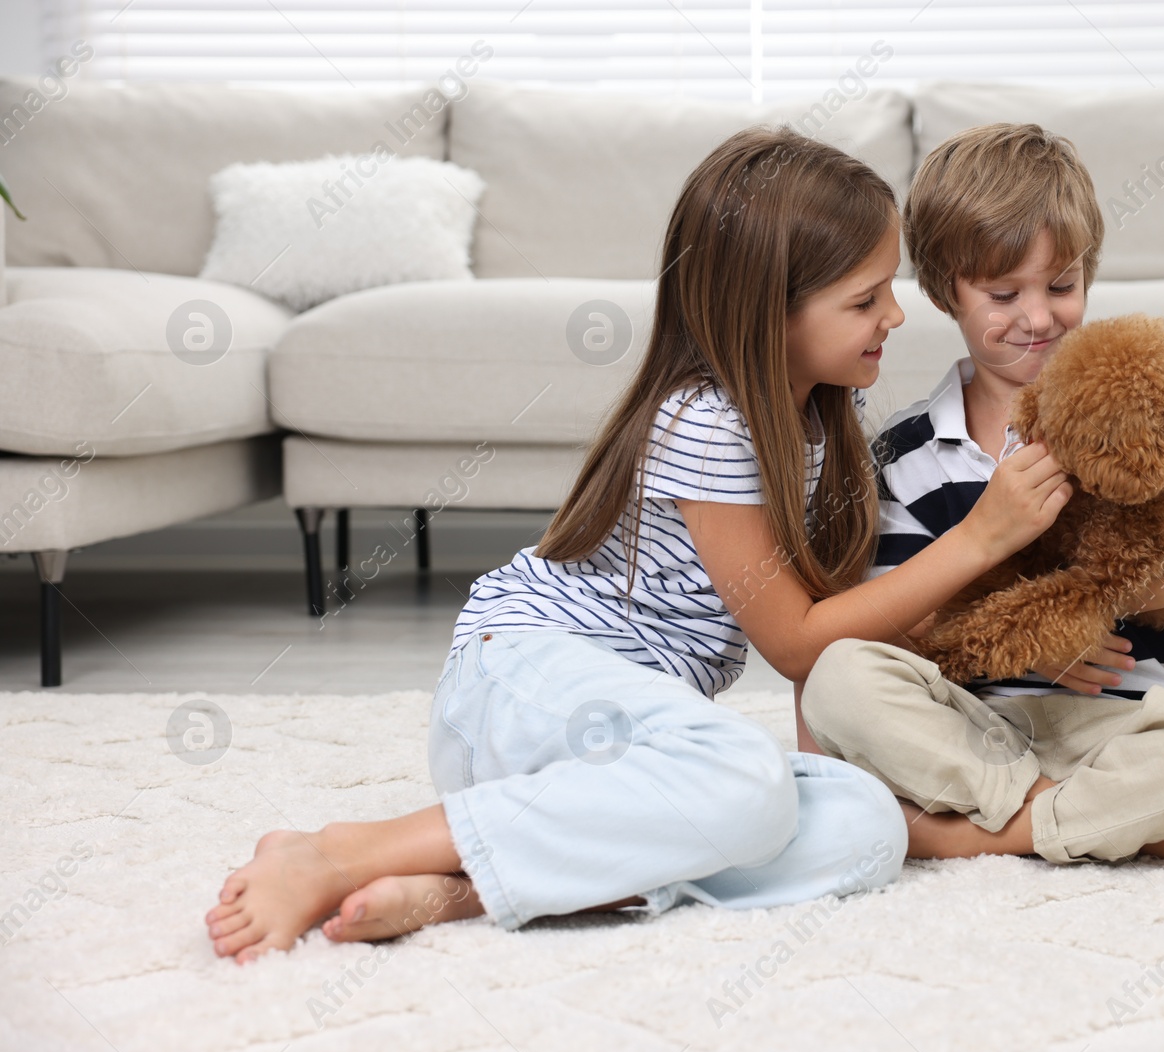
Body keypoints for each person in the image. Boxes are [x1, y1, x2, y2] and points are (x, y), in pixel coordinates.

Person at [205, 124, 1077, 962]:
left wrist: (829, 767)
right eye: (864, 298)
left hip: (632, 751)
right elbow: (793, 640)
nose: (893, 314)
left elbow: (833, 635)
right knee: (744, 776)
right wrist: (979, 538)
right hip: (525, 681)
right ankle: (348, 851)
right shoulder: (707, 421)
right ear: (767, 311)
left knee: (865, 826)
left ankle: (459, 889)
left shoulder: (822, 413)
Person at [800, 123, 1164, 878]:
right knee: (840, 678)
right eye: (1003, 293)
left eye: (1062, 286)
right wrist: (1036, 633)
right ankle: (1107, 821)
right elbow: (902, 629)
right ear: (948, 291)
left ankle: (1015, 823)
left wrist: (1138, 594)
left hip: (1128, 727)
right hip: (980, 730)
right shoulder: (910, 453)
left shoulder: (1145, 393)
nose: (1038, 317)